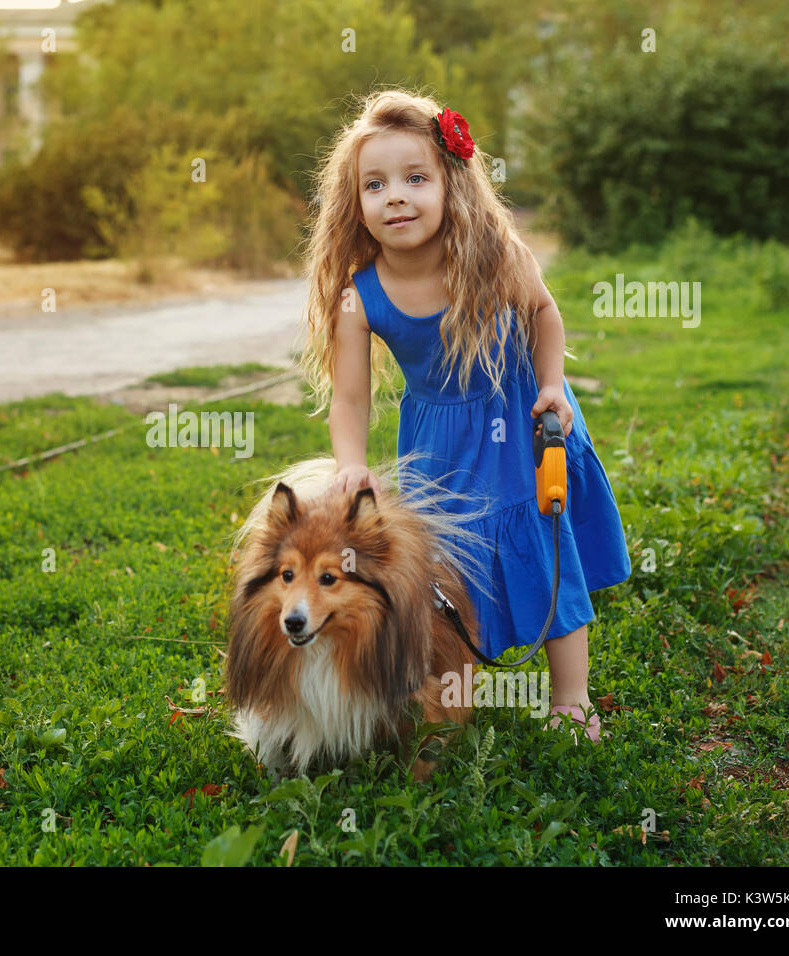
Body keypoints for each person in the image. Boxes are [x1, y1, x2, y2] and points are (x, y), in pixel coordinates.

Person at [296, 88, 632, 744]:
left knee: (541, 549)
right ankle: (449, 706)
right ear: (353, 202)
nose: (396, 195)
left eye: (415, 178)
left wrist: (554, 384)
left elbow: (543, 314)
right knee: (444, 577)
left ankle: (572, 699)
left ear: (451, 183)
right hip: (438, 444)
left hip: (520, 419)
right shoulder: (360, 298)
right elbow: (352, 398)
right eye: (375, 184)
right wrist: (353, 464)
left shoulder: (493, 256)